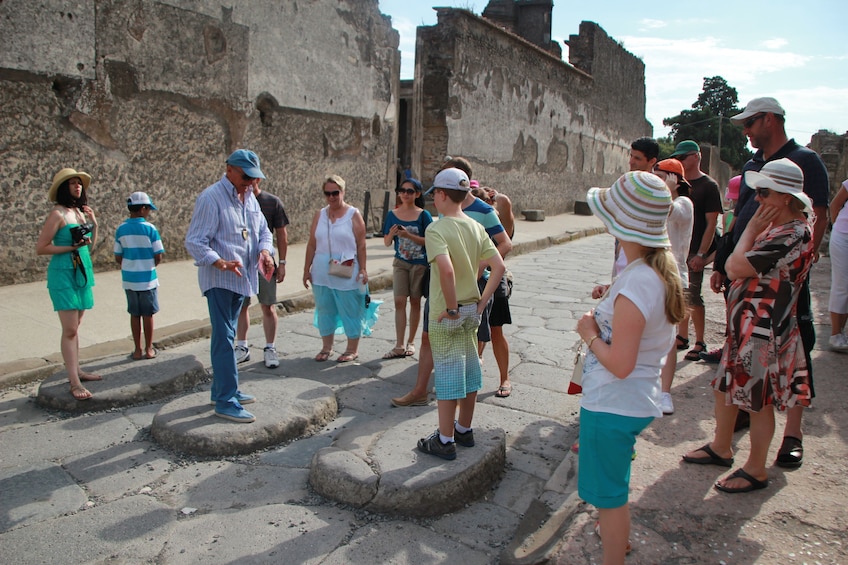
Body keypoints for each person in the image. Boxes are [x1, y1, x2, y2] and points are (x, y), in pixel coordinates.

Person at [683, 159, 815, 493]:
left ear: (786, 197)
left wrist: (751, 231)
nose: (758, 200)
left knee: (758, 401)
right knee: (725, 387)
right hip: (748, 325)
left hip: (763, 330)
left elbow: (735, 265)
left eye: (764, 192)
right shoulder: (780, 226)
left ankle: (756, 469)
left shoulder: (792, 233)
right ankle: (721, 446)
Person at [711, 96, 830, 465]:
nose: (745, 131)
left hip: (774, 282)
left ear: (770, 120)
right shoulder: (755, 166)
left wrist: (799, 267)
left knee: (790, 359)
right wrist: (722, 261)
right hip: (753, 275)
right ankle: (732, 433)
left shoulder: (805, 162)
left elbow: (818, 215)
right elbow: (739, 217)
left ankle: (790, 435)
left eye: (749, 123)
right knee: (743, 374)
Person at [577, 171, 684, 564]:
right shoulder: (651, 273)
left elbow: (620, 363)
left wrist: (589, 332)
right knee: (613, 489)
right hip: (631, 400)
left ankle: (614, 552)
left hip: (613, 403)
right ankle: (615, 539)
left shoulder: (638, 282)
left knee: (610, 497)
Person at [416, 167, 505, 460]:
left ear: (441, 195)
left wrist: (451, 308)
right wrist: (480, 304)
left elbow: (445, 269)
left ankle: (444, 439)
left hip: (448, 311)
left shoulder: (436, 228)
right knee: (469, 371)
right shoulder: (476, 227)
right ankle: (464, 429)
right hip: (471, 308)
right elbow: (499, 267)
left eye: (434, 195)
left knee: (447, 376)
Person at [185, 149, 275, 423]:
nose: (250, 182)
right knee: (225, 338)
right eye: (246, 176)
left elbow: (263, 231)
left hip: (242, 278)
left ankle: (224, 390)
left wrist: (265, 252)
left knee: (227, 334)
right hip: (220, 280)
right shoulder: (211, 198)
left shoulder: (249, 198)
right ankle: (225, 400)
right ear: (230, 170)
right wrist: (218, 262)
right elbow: (195, 241)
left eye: (254, 177)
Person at [36, 167, 101, 400]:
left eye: (79, 183)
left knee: (76, 327)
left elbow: (89, 247)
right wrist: (69, 248)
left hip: (81, 270)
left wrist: (93, 222)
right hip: (63, 273)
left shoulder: (80, 213)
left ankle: (77, 370)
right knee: (70, 329)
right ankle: (73, 381)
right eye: (72, 183)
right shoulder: (58, 214)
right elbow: (41, 247)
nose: (78, 186)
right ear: (64, 188)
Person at [302, 175, 369, 363]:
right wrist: (306, 269)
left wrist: (363, 268)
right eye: (327, 193)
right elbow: (312, 244)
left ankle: (351, 348)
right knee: (325, 309)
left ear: (343, 192)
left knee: (350, 308)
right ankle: (326, 347)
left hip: (347, 269)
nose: (331, 197)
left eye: (335, 193)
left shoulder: (353, 215)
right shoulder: (320, 214)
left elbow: (361, 245)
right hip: (322, 271)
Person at [670, 140, 722, 362]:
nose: (680, 161)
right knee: (680, 295)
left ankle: (700, 340)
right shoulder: (679, 185)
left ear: (696, 157)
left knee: (693, 296)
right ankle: (682, 335)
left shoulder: (708, 186)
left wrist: (702, 254)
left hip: (695, 250)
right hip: (678, 249)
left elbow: (712, 223)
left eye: (683, 157)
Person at [652, 159, 693, 415]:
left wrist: (665, 189)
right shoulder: (659, 201)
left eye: (661, 176)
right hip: (654, 274)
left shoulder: (683, 203)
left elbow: (671, 212)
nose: (656, 180)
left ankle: (665, 392)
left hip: (674, 276)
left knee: (668, 339)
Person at [234, 179, 289, 368]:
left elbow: (281, 234)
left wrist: (281, 263)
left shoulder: (272, 202)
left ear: (257, 179)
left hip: (264, 262)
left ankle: (270, 347)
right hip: (242, 262)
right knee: (242, 305)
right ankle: (242, 347)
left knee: (268, 305)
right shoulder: (236, 200)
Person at [382, 177, 432, 359]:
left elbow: (430, 241)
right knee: (399, 301)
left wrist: (408, 235)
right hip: (400, 262)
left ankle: (411, 342)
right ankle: (399, 344)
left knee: (415, 302)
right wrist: (394, 234)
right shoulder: (392, 214)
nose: (405, 194)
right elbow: (387, 242)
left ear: (417, 194)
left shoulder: (423, 215)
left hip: (419, 263)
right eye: (402, 190)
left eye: (409, 191)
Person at [114, 191, 164, 361]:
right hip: (147, 280)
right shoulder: (150, 229)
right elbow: (158, 254)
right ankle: (149, 349)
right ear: (143, 209)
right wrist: (150, 265)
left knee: (134, 314)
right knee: (148, 314)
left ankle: (137, 349)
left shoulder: (121, 229)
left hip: (129, 279)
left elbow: (117, 255)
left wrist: (129, 266)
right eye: (148, 208)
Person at [699, 175, 742, 364]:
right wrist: (718, 267)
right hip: (729, 265)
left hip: (741, 267)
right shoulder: (729, 215)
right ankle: (729, 346)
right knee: (730, 309)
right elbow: (725, 241)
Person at [827, 179, 848, 351]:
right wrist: (838, 230)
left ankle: (841, 332)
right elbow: (835, 206)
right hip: (844, 237)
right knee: (842, 285)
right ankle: (835, 334)